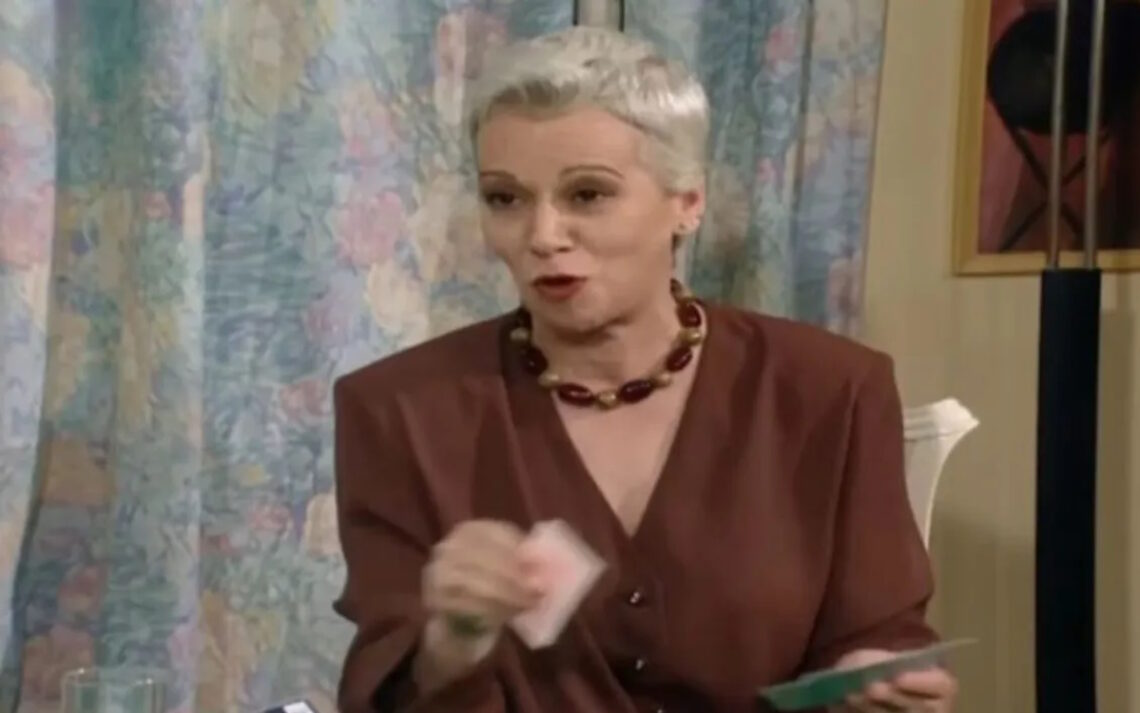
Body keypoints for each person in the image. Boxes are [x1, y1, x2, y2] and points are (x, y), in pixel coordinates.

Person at [332, 26, 958, 713]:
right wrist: (453, 643)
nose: (542, 236)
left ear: (687, 201)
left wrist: (876, 674)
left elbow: (880, 634)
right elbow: (386, 689)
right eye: (505, 198)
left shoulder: (831, 390)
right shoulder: (397, 411)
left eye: (587, 195)